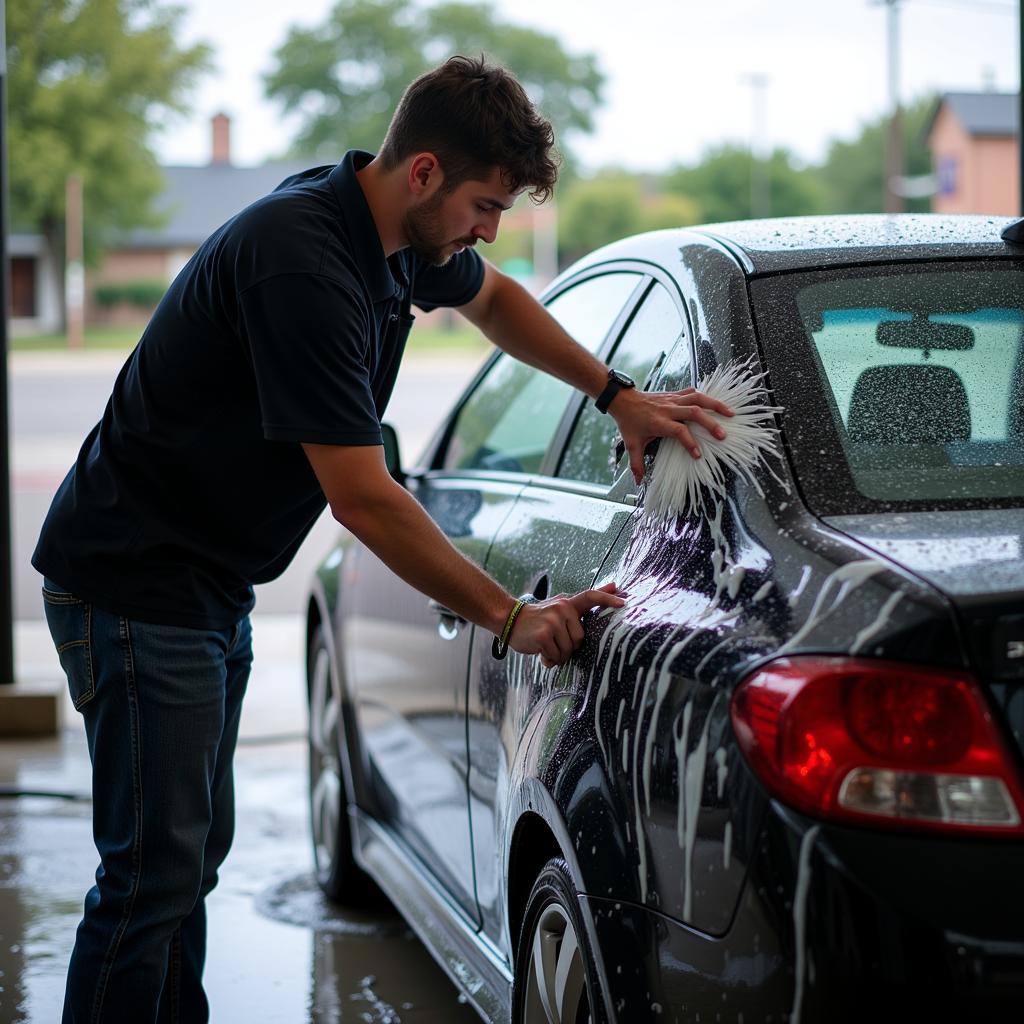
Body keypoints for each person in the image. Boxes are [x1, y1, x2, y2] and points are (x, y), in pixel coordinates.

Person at [33, 54, 733, 1023]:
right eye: (485, 205)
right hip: (133, 582)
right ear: (424, 175)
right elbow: (362, 497)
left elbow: (493, 302)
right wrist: (510, 617)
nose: (488, 232)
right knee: (150, 877)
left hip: (205, 583)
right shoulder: (303, 261)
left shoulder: (396, 238)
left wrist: (615, 395)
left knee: (184, 862)